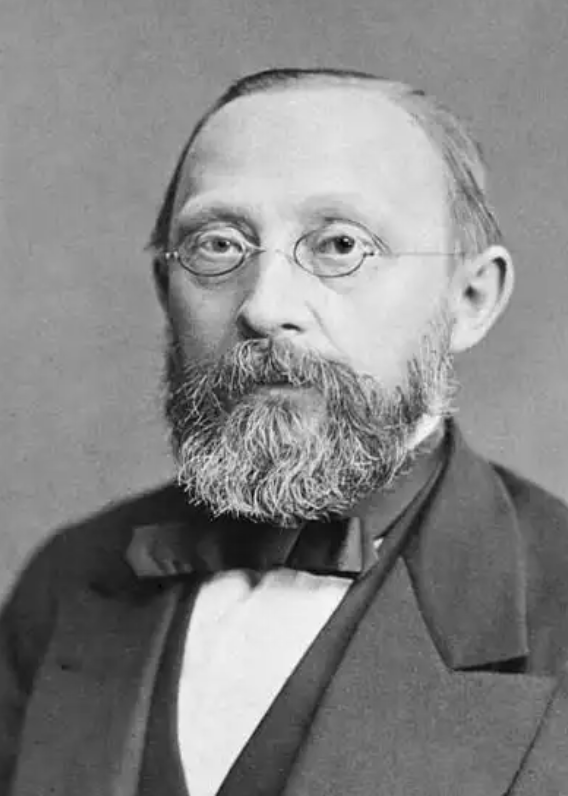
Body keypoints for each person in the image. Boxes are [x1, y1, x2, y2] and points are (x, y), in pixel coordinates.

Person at [2, 67, 568, 796]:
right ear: (166, 291)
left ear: (468, 299)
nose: (266, 307)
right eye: (218, 246)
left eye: (340, 245)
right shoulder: (68, 579)